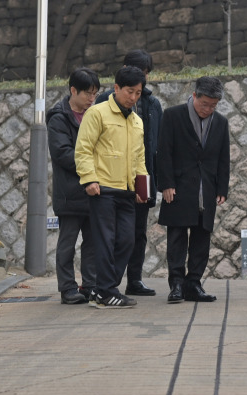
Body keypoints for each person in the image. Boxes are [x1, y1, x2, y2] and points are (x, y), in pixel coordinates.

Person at [75, 66, 148, 308]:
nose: (134, 97)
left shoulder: (137, 121)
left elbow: (139, 158)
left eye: (138, 93)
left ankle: (103, 289)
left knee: (127, 240)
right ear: (116, 88)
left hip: (127, 191)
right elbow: (83, 149)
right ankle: (106, 291)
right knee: (105, 242)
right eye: (130, 91)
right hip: (103, 189)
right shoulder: (97, 113)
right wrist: (89, 179)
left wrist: (142, 188)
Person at [157, 77, 230, 303]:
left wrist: (222, 188)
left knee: (202, 238)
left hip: (206, 189)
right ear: (194, 95)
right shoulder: (172, 116)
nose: (208, 109)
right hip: (178, 187)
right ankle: (176, 284)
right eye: (205, 104)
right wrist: (166, 184)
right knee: (177, 237)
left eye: (213, 105)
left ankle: (194, 283)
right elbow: (163, 152)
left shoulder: (220, 123)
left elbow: (222, 158)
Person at [95, 50, 162, 297]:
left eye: (145, 76)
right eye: (139, 74)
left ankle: (134, 280)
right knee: (109, 236)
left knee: (137, 234)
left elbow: (156, 145)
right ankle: (103, 285)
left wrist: (152, 183)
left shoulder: (153, 104)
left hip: (142, 177)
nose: (141, 83)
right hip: (110, 181)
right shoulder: (103, 102)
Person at [47, 67, 100, 304]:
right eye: (87, 94)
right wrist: (92, 165)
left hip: (94, 189)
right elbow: (63, 154)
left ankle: (90, 285)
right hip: (70, 192)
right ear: (73, 91)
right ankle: (67, 288)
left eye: (95, 94)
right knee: (67, 243)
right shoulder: (59, 117)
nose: (92, 99)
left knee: (92, 242)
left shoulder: (94, 114)